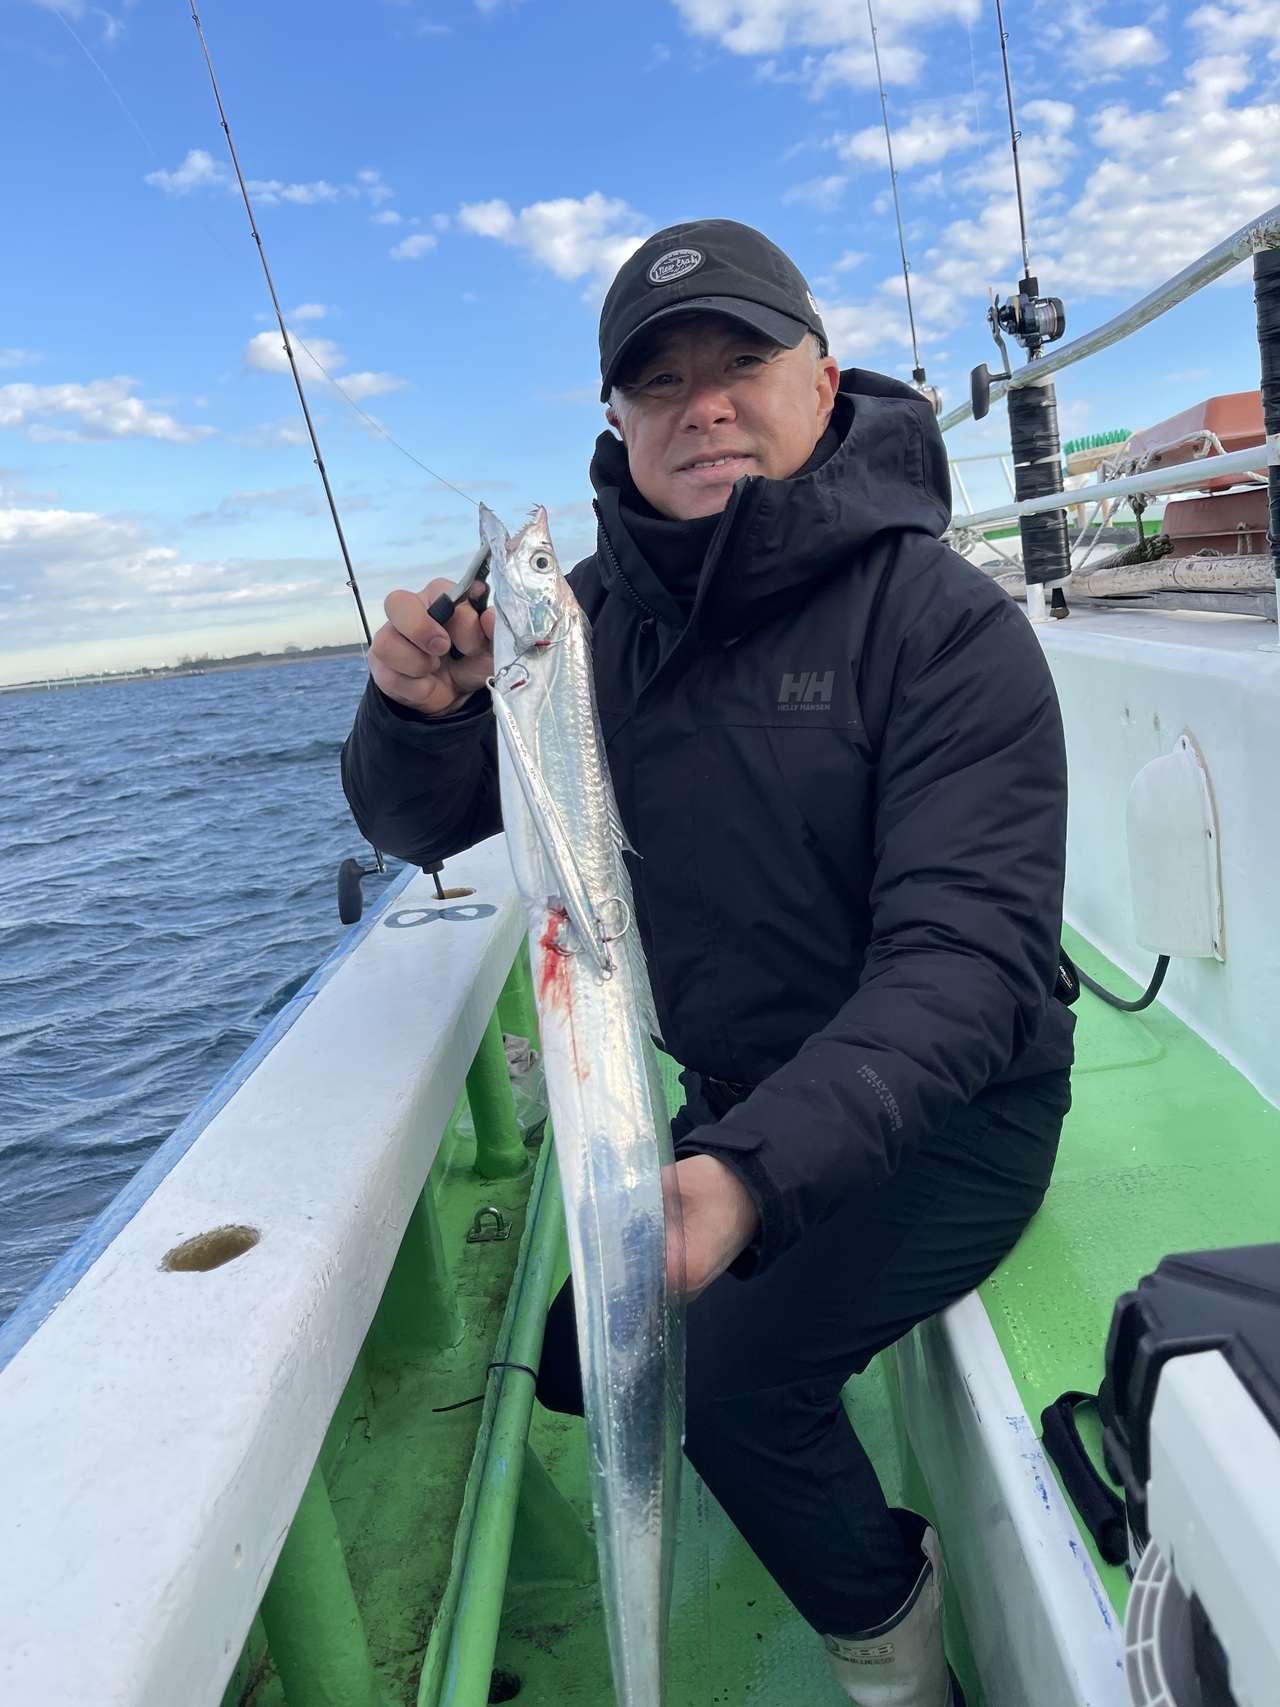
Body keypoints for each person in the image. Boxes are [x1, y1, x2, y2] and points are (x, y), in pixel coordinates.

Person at [341, 219, 1074, 1707]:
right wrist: (426, 717)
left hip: (951, 1117)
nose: (707, 406)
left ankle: (901, 1666)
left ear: (823, 379)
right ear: (618, 421)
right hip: (731, 1101)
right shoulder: (585, 627)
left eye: (743, 361)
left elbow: (966, 960)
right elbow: (426, 826)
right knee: (575, 1361)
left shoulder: (943, 625)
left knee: (730, 1395)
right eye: (661, 382)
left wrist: (746, 1177)